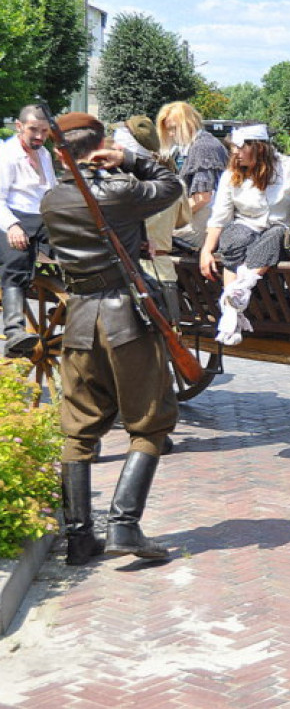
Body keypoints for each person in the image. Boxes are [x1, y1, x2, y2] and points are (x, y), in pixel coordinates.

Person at [40, 112, 184, 565]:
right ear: (99, 145)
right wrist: (130, 159)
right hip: (125, 320)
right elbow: (171, 184)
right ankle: (124, 524)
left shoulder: (52, 200)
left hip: (79, 321)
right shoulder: (118, 191)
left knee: (79, 426)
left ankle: (80, 538)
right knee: (152, 420)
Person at [199, 123, 290, 345]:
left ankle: (240, 290)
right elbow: (219, 217)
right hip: (245, 230)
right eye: (234, 148)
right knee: (236, 235)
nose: (235, 154)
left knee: (276, 234)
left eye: (240, 148)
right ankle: (232, 307)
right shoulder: (231, 175)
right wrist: (207, 250)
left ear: (258, 148)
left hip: (278, 231)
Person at [112, 115, 189, 322]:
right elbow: (182, 221)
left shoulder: (116, 186)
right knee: (170, 341)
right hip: (163, 271)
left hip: (126, 274)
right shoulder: (173, 184)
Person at [0, 104, 57, 356]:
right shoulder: (6, 155)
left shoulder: (44, 154)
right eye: (34, 129)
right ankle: (14, 332)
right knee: (17, 263)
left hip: (42, 216)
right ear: (19, 126)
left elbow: (51, 191)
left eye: (44, 131)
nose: (39, 136)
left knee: (75, 244)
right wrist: (12, 226)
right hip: (13, 216)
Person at [155, 101, 228, 247]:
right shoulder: (200, 144)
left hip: (205, 224)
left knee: (153, 239)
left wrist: (170, 219)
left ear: (188, 123)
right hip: (202, 219)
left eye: (173, 128)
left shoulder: (203, 147)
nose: (170, 134)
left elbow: (203, 198)